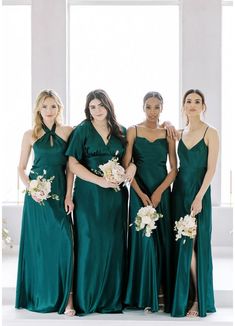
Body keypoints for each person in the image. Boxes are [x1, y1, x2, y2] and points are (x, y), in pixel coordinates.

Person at [66, 89, 136, 315]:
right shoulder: (82, 130)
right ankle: (86, 299)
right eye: (92, 106)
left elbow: (129, 162)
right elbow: (73, 164)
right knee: (89, 243)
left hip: (115, 197)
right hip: (88, 195)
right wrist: (99, 180)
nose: (96, 110)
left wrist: (131, 169)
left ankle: (111, 299)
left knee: (113, 244)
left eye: (100, 105)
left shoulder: (121, 131)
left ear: (108, 106)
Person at [16, 89, 75, 316]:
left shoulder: (68, 131)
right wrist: (32, 188)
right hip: (37, 196)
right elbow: (20, 168)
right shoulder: (30, 134)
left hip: (59, 192)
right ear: (38, 109)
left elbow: (71, 168)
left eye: (53, 106)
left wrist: (69, 195)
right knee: (39, 247)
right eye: (45, 106)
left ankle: (67, 299)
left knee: (64, 242)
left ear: (59, 108)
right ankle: (38, 295)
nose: (49, 111)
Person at [123, 92, 177, 313]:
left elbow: (174, 169)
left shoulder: (168, 133)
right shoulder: (133, 130)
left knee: (162, 242)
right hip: (139, 192)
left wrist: (159, 193)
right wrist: (140, 193)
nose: (152, 111)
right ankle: (143, 294)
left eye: (157, 107)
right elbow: (127, 166)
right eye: (149, 107)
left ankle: (161, 293)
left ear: (162, 108)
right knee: (144, 242)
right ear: (142, 107)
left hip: (161, 192)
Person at [171, 89, 219, 317]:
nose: (192, 104)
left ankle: (200, 300)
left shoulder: (211, 132)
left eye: (197, 101)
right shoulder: (180, 133)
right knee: (183, 245)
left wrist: (199, 197)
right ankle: (184, 296)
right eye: (188, 101)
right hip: (179, 192)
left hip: (199, 193)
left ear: (203, 106)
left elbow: (211, 169)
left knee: (197, 245)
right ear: (184, 106)